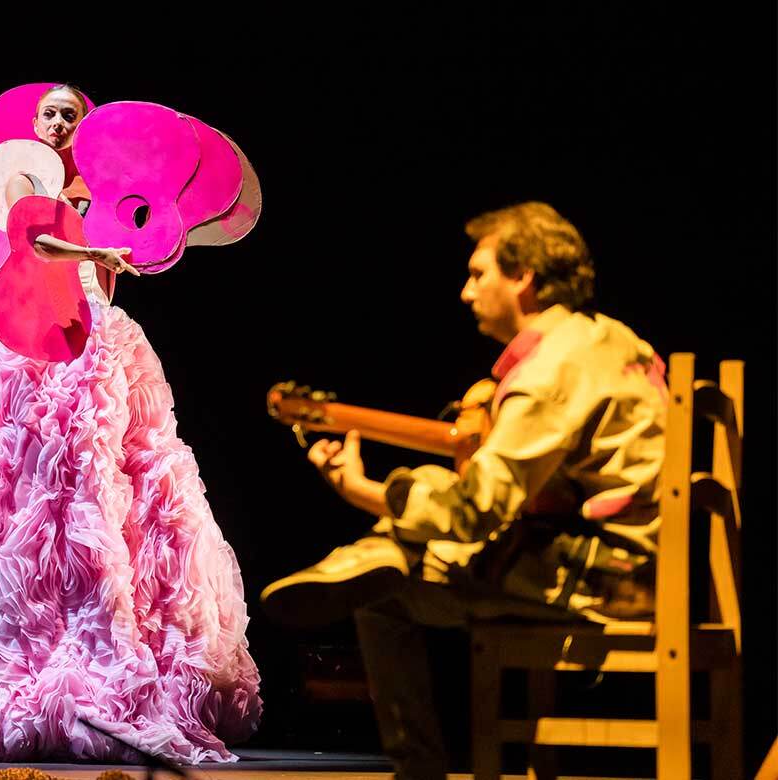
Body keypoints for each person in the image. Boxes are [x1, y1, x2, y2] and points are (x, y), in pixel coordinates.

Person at [0, 85, 262, 764]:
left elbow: (129, 259)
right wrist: (94, 257)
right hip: (27, 344)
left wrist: (143, 238)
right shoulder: (23, 172)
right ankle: (10, 656)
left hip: (95, 340)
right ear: (34, 123)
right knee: (10, 496)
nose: (56, 123)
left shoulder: (106, 186)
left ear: (84, 127)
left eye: (68, 116)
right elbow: (35, 241)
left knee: (109, 491)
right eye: (48, 113)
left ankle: (109, 647)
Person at [261, 202, 666, 779]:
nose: (465, 291)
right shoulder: (614, 338)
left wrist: (367, 491)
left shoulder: (552, 369)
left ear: (523, 276)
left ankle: (418, 768)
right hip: (641, 562)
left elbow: (479, 509)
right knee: (419, 524)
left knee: (382, 591)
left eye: (480, 274)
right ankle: (374, 554)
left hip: (608, 578)